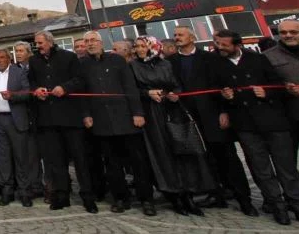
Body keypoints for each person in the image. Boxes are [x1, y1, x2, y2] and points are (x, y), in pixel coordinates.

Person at [209, 29, 299, 225]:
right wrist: (225, 98)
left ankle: (296, 203)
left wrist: (266, 93)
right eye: (218, 44)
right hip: (245, 123)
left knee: (286, 166)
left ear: (237, 45)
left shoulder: (257, 59)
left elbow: (279, 85)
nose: (220, 48)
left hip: (273, 121)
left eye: (225, 45)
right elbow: (214, 92)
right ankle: (277, 205)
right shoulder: (215, 64)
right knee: (261, 168)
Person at [166, 26, 255, 214]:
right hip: (188, 116)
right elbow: (170, 85)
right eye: (175, 35)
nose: (176, 38)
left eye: (180, 35)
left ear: (192, 37)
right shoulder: (171, 61)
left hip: (212, 114)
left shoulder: (209, 58)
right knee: (205, 158)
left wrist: (224, 111)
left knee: (227, 157)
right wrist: (172, 95)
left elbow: (222, 84)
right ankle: (217, 193)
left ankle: (243, 198)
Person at [130, 36, 214, 216]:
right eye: (136, 46)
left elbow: (177, 85)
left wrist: (175, 93)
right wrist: (147, 93)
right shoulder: (133, 66)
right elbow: (131, 89)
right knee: (162, 153)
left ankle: (188, 194)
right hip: (152, 114)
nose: (139, 49)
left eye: (143, 46)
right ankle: (173, 194)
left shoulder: (166, 64)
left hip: (172, 111)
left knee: (183, 152)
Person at [78, 31, 156, 216]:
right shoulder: (82, 64)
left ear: (100, 42)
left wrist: (137, 112)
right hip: (101, 121)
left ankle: (146, 199)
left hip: (126, 119)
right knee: (112, 165)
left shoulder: (117, 60)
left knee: (138, 162)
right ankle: (120, 197)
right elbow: (82, 92)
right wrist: (86, 114)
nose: (90, 44)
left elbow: (130, 87)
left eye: (93, 41)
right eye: (87, 41)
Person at [29, 31, 97, 213]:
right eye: (36, 43)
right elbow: (31, 83)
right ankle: (62, 195)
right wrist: (37, 91)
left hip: (70, 117)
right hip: (48, 119)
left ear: (50, 42)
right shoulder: (34, 61)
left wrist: (65, 88)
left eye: (40, 42)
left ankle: (88, 196)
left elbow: (80, 80)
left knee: (80, 160)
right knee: (56, 161)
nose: (38, 46)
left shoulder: (69, 57)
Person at [0, 48, 32, 207]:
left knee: (21, 157)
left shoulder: (19, 73)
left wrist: (12, 95)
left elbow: (27, 93)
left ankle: (24, 191)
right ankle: (7, 190)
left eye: (2, 57)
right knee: (2, 157)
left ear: (9, 59)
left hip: (16, 120)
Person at [263, 19, 299, 158]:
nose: (288, 35)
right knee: (288, 159)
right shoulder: (267, 57)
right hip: (288, 118)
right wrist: (284, 88)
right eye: (283, 32)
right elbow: (265, 87)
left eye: (293, 32)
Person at [13, 40, 45, 200]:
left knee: (37, 153)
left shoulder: (35, 67)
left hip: (37, 113)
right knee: (25, 154)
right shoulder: (13, 69)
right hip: (20, 116)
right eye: (16, 51)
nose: (18, 54)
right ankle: (29, 185)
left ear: (28, 52)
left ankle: (39, 184)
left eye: (21, 51)